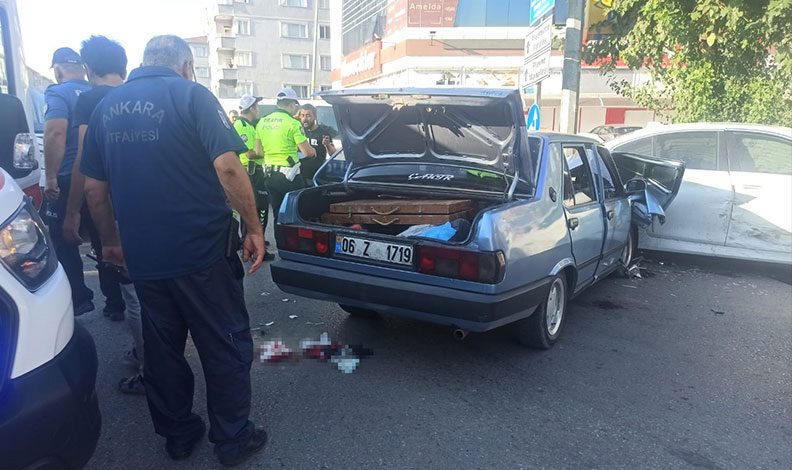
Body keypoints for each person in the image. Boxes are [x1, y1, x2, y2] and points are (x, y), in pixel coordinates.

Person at [80, 35, 267, 466]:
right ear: (186, 65)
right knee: (224, 343)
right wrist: (254, 228)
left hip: (144, 259)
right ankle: (233, 438)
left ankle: (179, 436)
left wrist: (111, 242)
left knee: (162, 350)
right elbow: (227, 168)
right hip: (202, 254)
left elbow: (93, 189)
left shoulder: (105, 108)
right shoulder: (191, 95)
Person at [62, 35, 144, 395]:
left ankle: (149, 367)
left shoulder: (90, 99)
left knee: (133, 292)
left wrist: (72, 211)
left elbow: (85, 160)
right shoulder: (139, 95)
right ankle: (154, 354)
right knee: (153, 289)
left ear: (88, 68)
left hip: (115, 207)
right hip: (150, 205)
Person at [42, 47, 94, 315]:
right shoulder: (96, 90)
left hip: (66, 177)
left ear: (58, 69)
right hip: (99, 177)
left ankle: (79, 299)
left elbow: (55, 132)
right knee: (101, 233)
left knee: (64, 238)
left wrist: (50, 176)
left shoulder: (57, 92)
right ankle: (116, 302)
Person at [255, 88, 315, 222]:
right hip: (289, 177)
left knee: (278, 215)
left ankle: (279, 236)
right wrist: (313, 151)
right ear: (292, 104)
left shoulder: (262, 122)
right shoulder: (293, 123)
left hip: (269, 176)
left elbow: (258, 152)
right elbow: (307, 152)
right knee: (297, 214)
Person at [234, 94, 274, 261]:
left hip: (252, 172)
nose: (259, 109)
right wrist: (268, 152)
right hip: (251, 172)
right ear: (251, 108)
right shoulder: (242, 126)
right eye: (257, 106)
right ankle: (255, 248)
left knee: (252, 209)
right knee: (260, 209)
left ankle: (252, 240)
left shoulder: (249, 125)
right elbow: (248, 153)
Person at [297, 104, 337, 183]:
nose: (305, 119)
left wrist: (327, 145)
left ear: (315, 116)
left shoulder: (323, 132)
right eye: (302, 115)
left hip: (317, 176)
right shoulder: (298, 132)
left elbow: (333, 153)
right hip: (300, 176)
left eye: (308, 115)